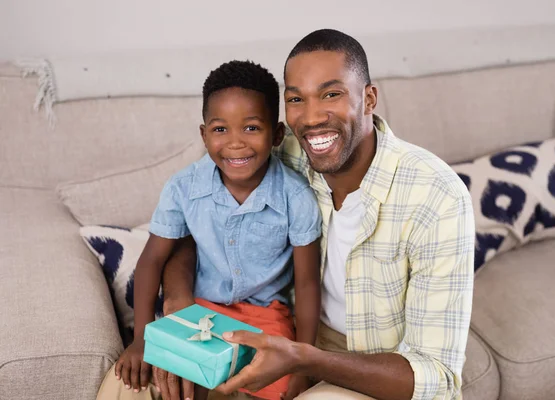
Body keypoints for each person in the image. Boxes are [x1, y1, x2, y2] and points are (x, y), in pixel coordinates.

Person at [162, 29, 475, 400]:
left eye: (331, 94)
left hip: (370, 364)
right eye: (296, 99)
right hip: (279, 330)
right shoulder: (276, 150)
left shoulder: (436, 196)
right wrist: (177, 307)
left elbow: (435, 378)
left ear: (369, 98)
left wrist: (304, 360)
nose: (311, 118)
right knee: (134, 384)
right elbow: (191, 223)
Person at [96, 60, 322, 400]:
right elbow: (152, 262)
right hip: (199, 311)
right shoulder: (183, 187)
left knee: (281, 387)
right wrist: (142, 340)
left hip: (266, 317)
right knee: (172, 382)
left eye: (251, 128)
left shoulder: (296, 196)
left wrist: (303, 366)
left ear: (276, 135)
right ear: (203, 134)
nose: (235, 143)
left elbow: (306, 284)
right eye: (220, 130)